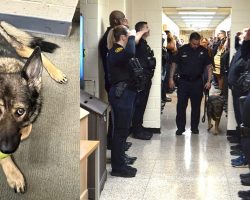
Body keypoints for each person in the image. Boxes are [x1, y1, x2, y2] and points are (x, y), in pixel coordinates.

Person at [107, 25, 149, 177]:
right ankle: (118, 168)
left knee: (123, 131)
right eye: (128, 36)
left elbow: (132, 48)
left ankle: (121, 164)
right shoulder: (117, 50)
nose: (131, 38)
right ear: (123, 37)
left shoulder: (120, 51)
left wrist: (135, 35)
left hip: (126, 93)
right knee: (120, 132)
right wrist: (132, 35)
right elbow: (131, 51)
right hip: (122, 94)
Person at [99, 10, 132, 152]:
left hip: (117, 80)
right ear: (116, 21)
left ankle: (117, 145)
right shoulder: (112, 36)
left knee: (119, 118)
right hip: (115, 82)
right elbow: (125, 53)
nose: (126, 20)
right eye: (123, 19)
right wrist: (128, 32)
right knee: (117, 118)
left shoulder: (112, 34)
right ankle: (114, 144)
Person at [169, 32, 212, 135]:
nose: (196, 46)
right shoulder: (182, 49)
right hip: (183, 82)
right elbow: (174, 64)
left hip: (197, 82)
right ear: (190, 41)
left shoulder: (203, 51)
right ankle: (180, 128)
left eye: (197, 44)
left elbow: (209, 67)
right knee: (181, 107)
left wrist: (209, 81)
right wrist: (171, 78)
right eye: (194, 44)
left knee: (196, 107)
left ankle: (194, 128)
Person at [131, 21, 155, 140]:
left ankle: (139, 126)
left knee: (142, 105)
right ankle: (136, 130)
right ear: (141, 30)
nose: (148, 29)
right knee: (139, 105)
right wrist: (141, 31)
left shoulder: (144, 43)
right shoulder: (137, 41)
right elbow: (135, 40)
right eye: (146, 27)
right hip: (141, 80)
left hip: (146, 79)